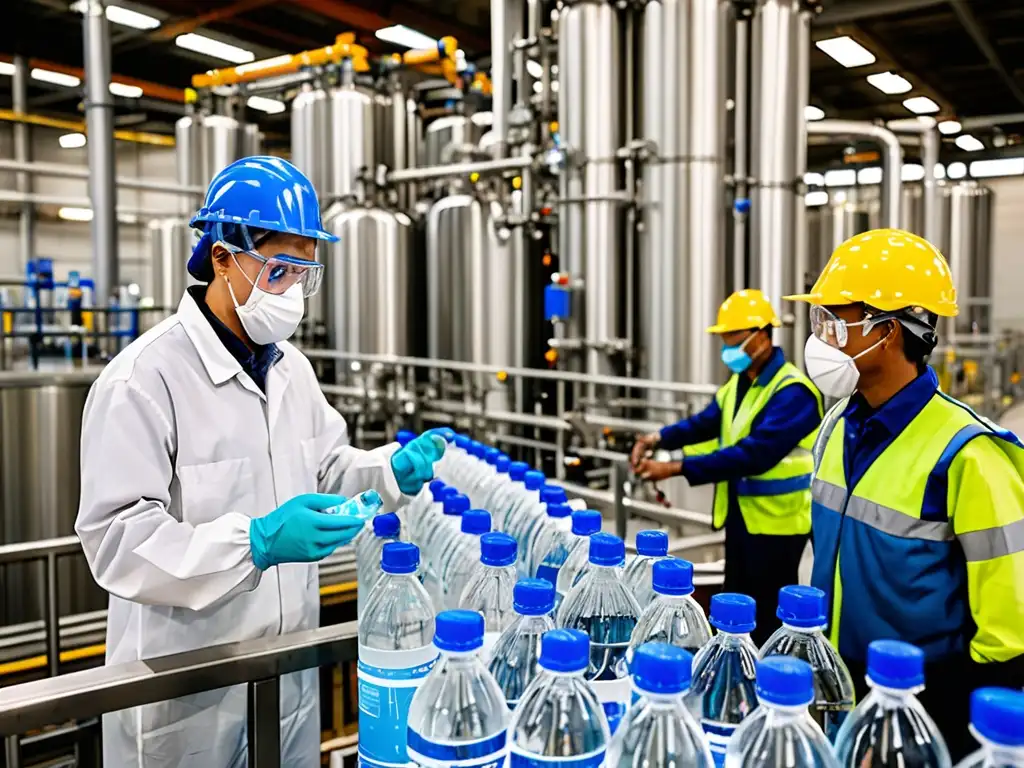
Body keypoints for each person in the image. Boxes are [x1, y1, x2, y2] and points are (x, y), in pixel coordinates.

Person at [75, 156, 445, 768]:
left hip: (287, 682)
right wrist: (257, 542)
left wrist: (385, 472)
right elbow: (117, 540)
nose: (293, 291)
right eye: (279, 269)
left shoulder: (292, 369)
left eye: (305, 271)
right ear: (222, 257)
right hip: (186, 697)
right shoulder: (144, 380)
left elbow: (324, 468)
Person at [786, 227, 1024, 758]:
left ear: (887, 332)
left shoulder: (967, 454)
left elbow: (1009, 630)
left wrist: (959, 725)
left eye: (833, 322)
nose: (820, 339)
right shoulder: (836, 428)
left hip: (923, 702)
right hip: (836, 684)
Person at [631, 289, 823, 644]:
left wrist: (674, 469)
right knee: (734, 605)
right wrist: (657, 438)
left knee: (765, 615)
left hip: (779, 524)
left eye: (733, 341)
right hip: (742, 516)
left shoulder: (793, 393)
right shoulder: (741, 382)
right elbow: (706, 423)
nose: (727, 351)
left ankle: (763, 680)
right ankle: (733, 669)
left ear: (762, 337)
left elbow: (753, 455)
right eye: (724, 341)